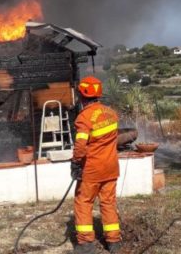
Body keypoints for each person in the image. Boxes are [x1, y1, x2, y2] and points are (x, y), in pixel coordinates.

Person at [71, 76, 122, 254]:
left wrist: (76, 163)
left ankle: (86, 244)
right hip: (111, 168)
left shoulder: (84, 118)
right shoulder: (111, 113)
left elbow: (80, 145)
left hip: (92, 170)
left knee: (83, 202)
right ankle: (114, 242)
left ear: (82, 96)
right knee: (108, 203)